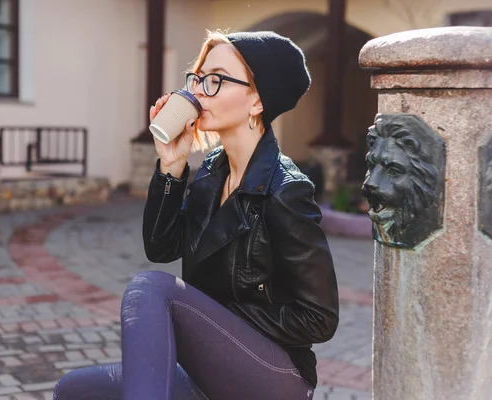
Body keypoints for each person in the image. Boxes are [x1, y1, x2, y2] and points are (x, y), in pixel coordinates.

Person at [53, 29, 339, 400]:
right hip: (213, 365)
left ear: (257, 101)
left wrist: (215, 319)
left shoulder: (286, 190)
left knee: (151, 288)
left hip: (274, 375)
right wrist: (172, 166)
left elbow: (319, 318)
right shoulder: (211, 172)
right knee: (74, 390)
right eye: (199, 77)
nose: (199, 89)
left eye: (216, 80)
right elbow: (161, 246)